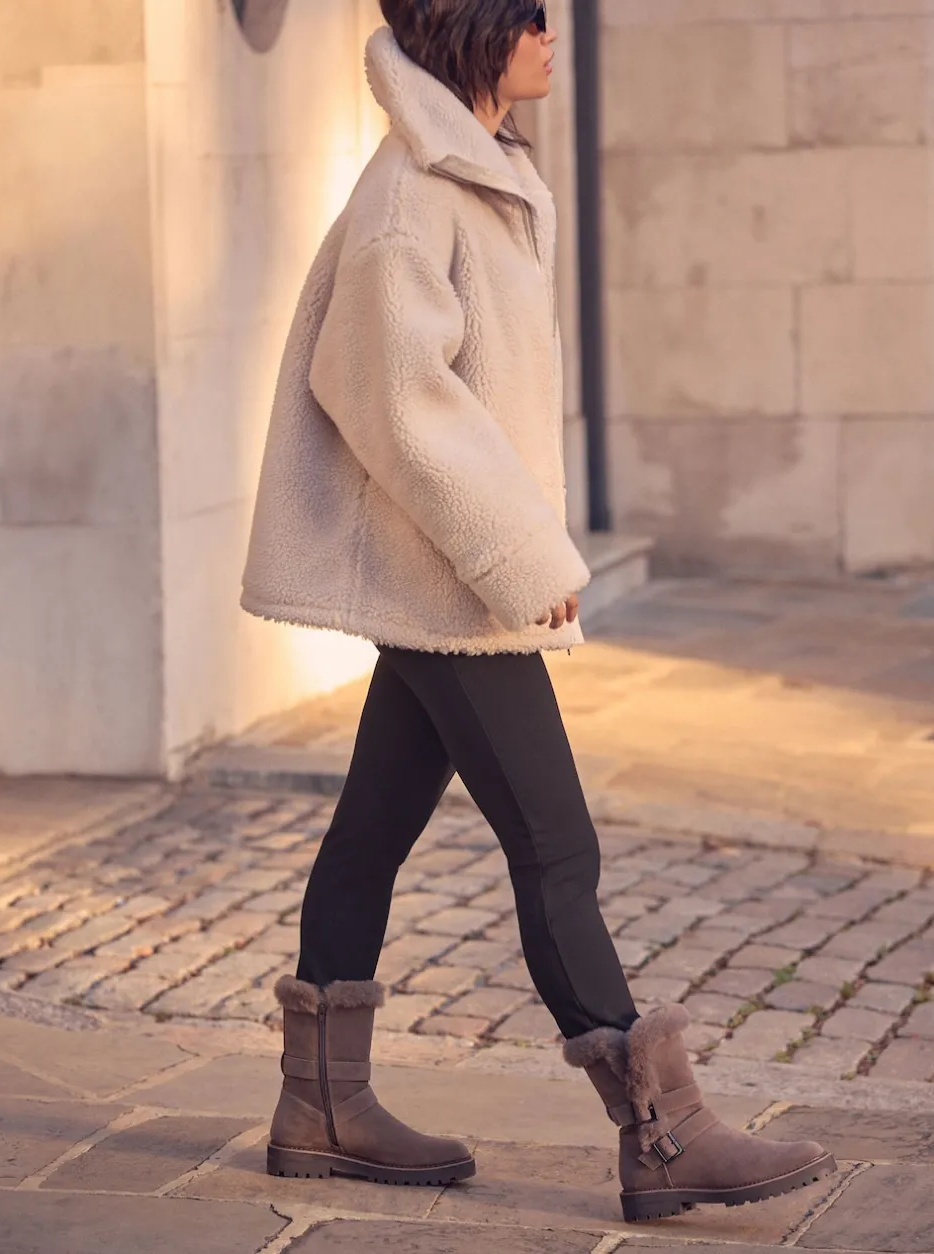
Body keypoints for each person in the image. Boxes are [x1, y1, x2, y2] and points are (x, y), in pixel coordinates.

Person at [241, 0, 835, 1222]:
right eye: (527, 15)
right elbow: (392, 397)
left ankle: (321, 1111)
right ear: (471, 31)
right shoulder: (412, 198)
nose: (551, 31)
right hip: (451, 580)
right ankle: (661, 1136)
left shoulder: (478, 173)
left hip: (443, 583)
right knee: (557, 848)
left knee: (368, 836)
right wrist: (518, 551)